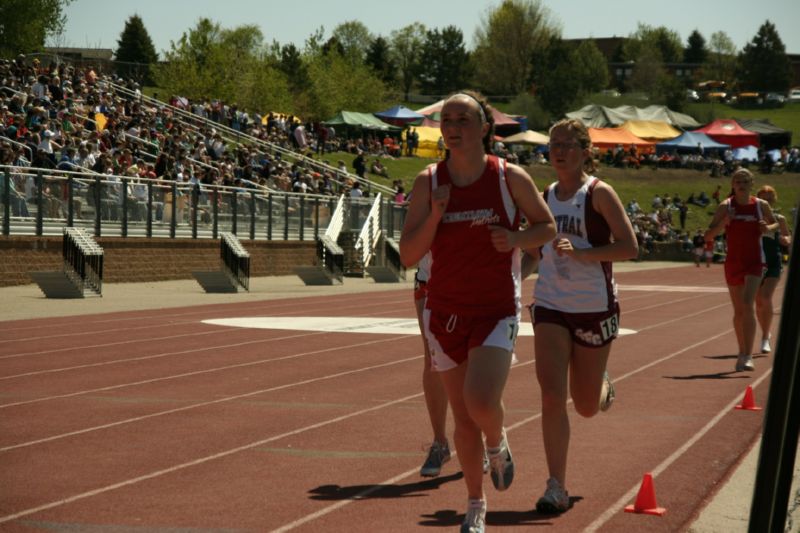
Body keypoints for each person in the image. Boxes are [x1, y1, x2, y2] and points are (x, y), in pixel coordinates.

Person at [400, 91, 555, 533]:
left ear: (484, 127)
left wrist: (516, 240)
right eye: (446, 119)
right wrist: (435, 217)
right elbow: (409, 255)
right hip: (444, 312)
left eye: (463, 119)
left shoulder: (509, 177)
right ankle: (475, 503)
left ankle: (497, 440)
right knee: (462, 417)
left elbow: (546, 227)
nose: (452, 126)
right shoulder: (428, 181)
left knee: (481, 401)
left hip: (495, 310)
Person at [527, 118, 638, 514]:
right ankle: (556, 485)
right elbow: (532, 252)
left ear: (585, 150)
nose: (558, 151)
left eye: (568, 144)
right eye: (553, 144)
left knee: (586, 405)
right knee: (552, 394)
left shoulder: (599, 193)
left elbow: (629, 247)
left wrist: (583, 253)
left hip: (594, 307)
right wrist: (510, 276)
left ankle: (602, 386)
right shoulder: (544, 196)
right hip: (551, 304)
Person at [705, 169, 776, 372]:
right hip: (733, 262)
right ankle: (742, 350)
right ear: (733, 185)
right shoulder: (725, 207)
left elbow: (774, 225)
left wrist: (767, 228)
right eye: (737, 181)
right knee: (738, 311)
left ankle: (748, 355)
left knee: (747, 304)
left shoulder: (761, 205)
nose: (741, 184)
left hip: (755, 261)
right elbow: (708, 236)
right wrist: (723, 224)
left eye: (745, 181)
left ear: (752, 183)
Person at [755, 185, 791, 354]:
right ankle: (766, 331)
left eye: (770, 196)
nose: (767, 199)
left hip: (773, 261)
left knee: (765, 296)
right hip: (754, 261)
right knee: (758, 302)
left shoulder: (779, 218)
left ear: (774, 199)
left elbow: (787, 235)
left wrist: (785, 239)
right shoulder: (752, 216)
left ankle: (764, 337)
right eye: (764, 196)